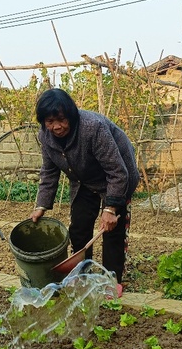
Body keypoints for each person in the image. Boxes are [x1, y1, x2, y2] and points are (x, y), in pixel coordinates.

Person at [29, 88, 139, 296]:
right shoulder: (45, 136)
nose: (56, 127)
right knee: (79, 228)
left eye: (61, 120)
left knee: (111, 231)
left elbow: (117, 171)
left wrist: (111, 208)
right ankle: (82, 275)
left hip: (116, 176)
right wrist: (41, 205)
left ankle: (112, 280)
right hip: (84, 180)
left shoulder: (92, 127)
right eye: (50, 122)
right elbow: (49, 171)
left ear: (71, 115)